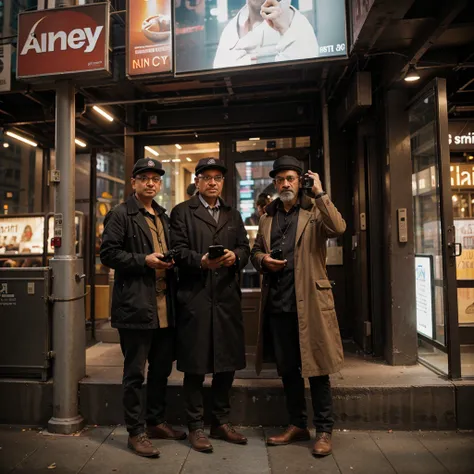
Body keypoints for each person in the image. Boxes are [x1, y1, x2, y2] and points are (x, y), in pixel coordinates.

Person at [250, 155, 346, 457]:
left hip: (311, 304)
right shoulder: (267, 216)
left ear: (300, 180)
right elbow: (255, 251)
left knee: (317, 369)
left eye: (290, 178)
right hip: (279, 304)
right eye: (280, 179)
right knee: (288, 370)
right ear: (275, 183)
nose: (285, 184)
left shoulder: (315, 211)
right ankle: (297, 424)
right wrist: (263, 260)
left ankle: (324, 430)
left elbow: (339, 228)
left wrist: (320, 192)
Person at [100, 158, 186, 458]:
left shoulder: (163, 216)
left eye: (155, 179)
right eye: (144, 178)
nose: (151, 183)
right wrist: (143, 260)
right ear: (133, 183)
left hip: (164, 306)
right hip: (136, 306)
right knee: (135, 373)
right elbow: (108, 254)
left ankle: (156, 421)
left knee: (162, 370)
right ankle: (136, 432)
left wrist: (171, 260)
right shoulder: (121, 214)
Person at [170, 157, 250, 453]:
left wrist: (236, 257)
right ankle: (195, 426)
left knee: (225, 365)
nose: (213, 182)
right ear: (198, 182)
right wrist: (200, 261)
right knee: (195, 365)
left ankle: (220, 422)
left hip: (227, 298)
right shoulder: (182, 212)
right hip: (196, 297)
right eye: (207, 177)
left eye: (218, 177)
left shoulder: (233, 214)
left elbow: (244, 246)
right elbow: (177, 251)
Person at [213, 0, 319, 69]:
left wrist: (284, 30)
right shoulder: (230, 30)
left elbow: (307, 71)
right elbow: (219, 75)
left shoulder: (297, 22)